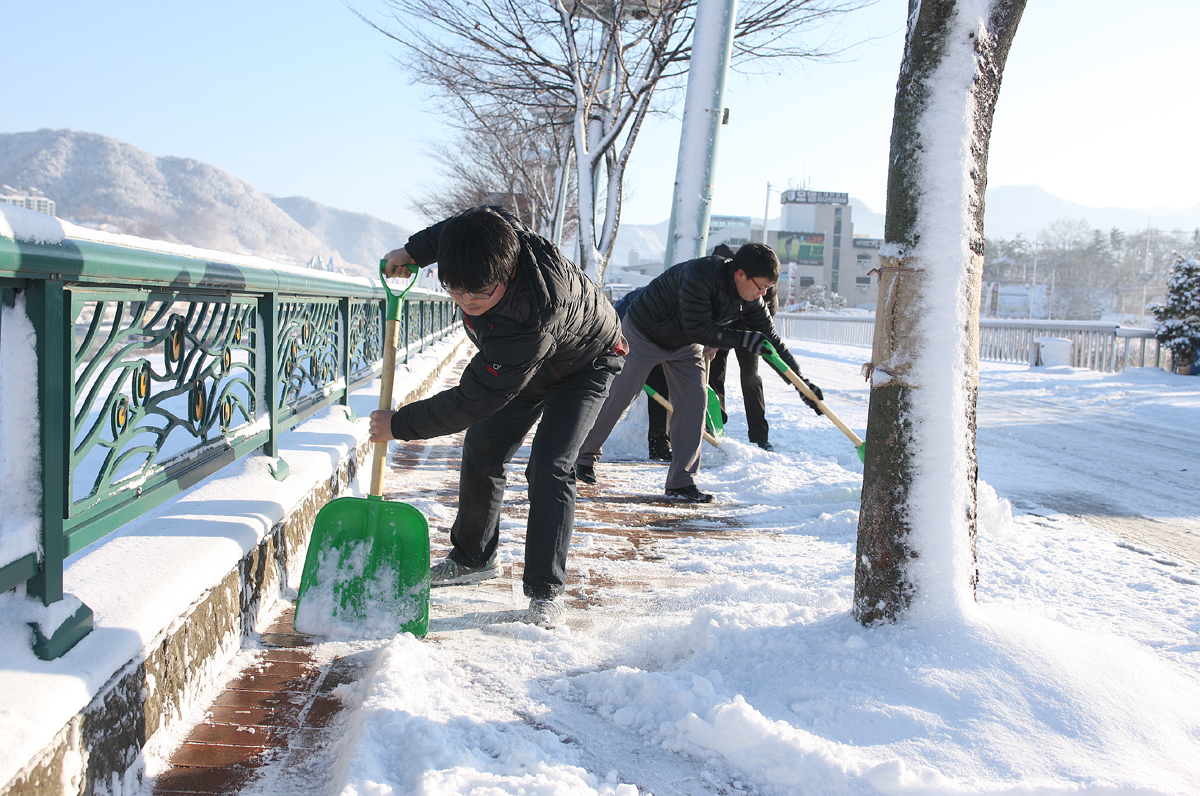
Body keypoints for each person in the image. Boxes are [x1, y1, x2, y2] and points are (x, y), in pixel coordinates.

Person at [369, 206, 624, 628]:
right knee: (484, 446)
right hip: (526, 362)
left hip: (586, 363)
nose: (469, 304)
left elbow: (472, 400)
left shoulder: (533, 312)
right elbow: (454, 232)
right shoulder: (490, 232)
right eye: (456, 292)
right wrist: (410, 253)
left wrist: (399, 424)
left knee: (550, 464)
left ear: (507, 274)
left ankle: (545, 590)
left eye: (481, 294)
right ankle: (472, 557)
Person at [575, 242, 822, 503]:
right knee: (620, 395)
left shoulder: (752, 300)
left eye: (767, 289)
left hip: (684, 344)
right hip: (645, 330)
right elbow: (697, 328)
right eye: (760, 286)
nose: (762, 293)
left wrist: (801, 384)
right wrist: (742, 339)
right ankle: (582, 456)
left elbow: (772, 342)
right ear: (740, 274)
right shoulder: (701, 275)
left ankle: (682, 482)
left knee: (694, 403)